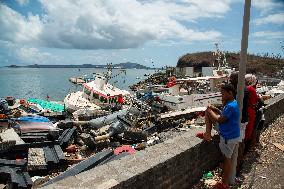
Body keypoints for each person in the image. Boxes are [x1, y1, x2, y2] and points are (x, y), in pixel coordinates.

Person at [197, 83, 240, 188]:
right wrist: (215, 110)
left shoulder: (230, 105)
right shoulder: (233, 103)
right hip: (231, 133)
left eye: (223, 94)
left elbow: (220, 120)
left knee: (227, 159)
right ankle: (207, 134)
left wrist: (210, 111)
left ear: (230, 93)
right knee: (227, 158)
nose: (222, 96)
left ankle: (224, 184)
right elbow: (224, 115)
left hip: (228, 136)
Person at [229, 71, 249, 174]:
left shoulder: (240, 90)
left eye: (231, 79)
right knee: (241, 142)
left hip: (239, 121)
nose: (230, 81)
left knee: (239, 143)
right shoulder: (243, 88)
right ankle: (238, 164)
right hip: (243, 119)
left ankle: (237, 166)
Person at [244, 74, 258, 152]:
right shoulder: (251, 89)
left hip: (246, 111)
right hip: (250, 112)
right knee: (248, 131)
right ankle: (245, 151)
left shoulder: (246, 88)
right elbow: (254, 103)